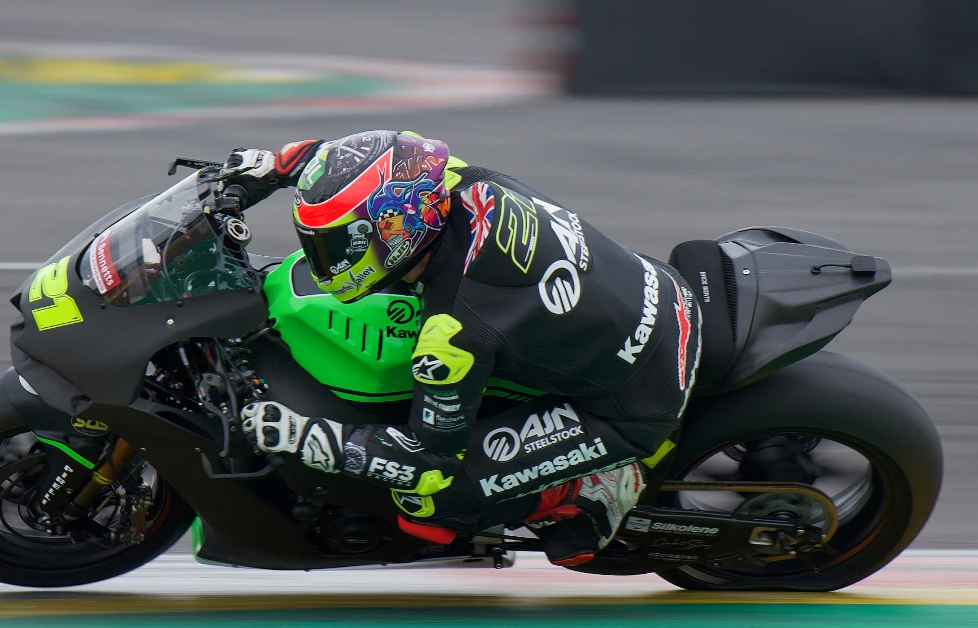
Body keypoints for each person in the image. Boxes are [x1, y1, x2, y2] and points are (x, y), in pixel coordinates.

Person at [219, 130, 700, 567]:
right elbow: (360, 163)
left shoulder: (450, 333)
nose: (327, 258)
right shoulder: (452, 181)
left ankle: (594, 486)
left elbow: (427, 463)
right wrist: (274, 166)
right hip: (658, 289)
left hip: (635, 401)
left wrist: (310, 438)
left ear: (394, 230)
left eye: (339, 243)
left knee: (427, 504)